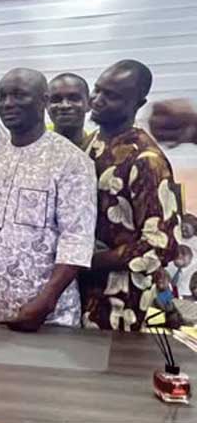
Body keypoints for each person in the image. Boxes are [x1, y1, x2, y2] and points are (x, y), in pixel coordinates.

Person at [0, 68, 96, 331]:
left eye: (19, 95)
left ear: (44, 101)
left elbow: (76, 239)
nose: (8, 103)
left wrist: (46, 301)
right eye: (2, 97)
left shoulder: (71, 160)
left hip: (50, 316)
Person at [82, 60, 181, 331]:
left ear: (138, 103)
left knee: (111, 358)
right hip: (81, 289)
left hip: (122, 300)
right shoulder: (91, 144)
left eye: (111, 96)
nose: (97, 100)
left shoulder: (147, 160)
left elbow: (160, 246)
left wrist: (90, 261)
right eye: (97, 90)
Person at [47, 73, 92, 149]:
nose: (65, 105)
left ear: (89, 104)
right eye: (56, 99)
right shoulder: (33, 145)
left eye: (74, 99)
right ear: (45, 105)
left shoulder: (98, 147)